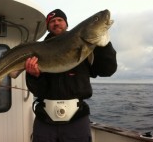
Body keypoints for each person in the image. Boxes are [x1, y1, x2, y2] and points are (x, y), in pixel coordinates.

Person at [25, 9, 117, 142]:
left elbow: (107, 70)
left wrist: (104, 46)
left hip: (77, 119)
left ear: (66, 24)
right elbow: (36, 90)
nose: (56, 23)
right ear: (48, 27)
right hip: (45, 119)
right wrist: (35, 76)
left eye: (60, 20)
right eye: (52, 21)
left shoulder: (85, 48)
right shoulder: (37, 51)